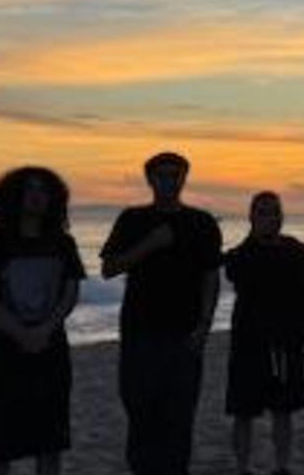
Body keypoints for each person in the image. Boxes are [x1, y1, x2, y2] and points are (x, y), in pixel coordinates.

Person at [101, 152, 224, 475]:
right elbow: (109, 268)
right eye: (162, 175)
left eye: (175, 175)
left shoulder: (202, 222)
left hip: (185, 335)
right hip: (140, 334)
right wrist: (149, 245)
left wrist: (204, 326)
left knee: (179, 419)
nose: (169, 181)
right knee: (141, 415)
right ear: (150, 179)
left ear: (185, 178)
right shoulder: (132, 219)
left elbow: (211, 278)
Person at [0, 167, 85, 474]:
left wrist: (45, 330)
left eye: (43, 190)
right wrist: (21, 334)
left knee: (50, 440)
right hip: (0, 354)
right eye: (28, 189)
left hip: (51, 351)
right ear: (12, 196)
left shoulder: (63, 244)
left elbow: (70, 293)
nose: (36, 196)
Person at [223, 192, 304, 475]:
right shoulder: (240, 255)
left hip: (287, 342)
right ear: (251, 217)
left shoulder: (298, 251)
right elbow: (233, 273)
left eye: (274, 212)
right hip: (249, 342)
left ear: (282, 216)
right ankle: (243, 467)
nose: (270, 218)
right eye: (263, 213)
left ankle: (282, 465)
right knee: (243, 411)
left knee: (283, 409)